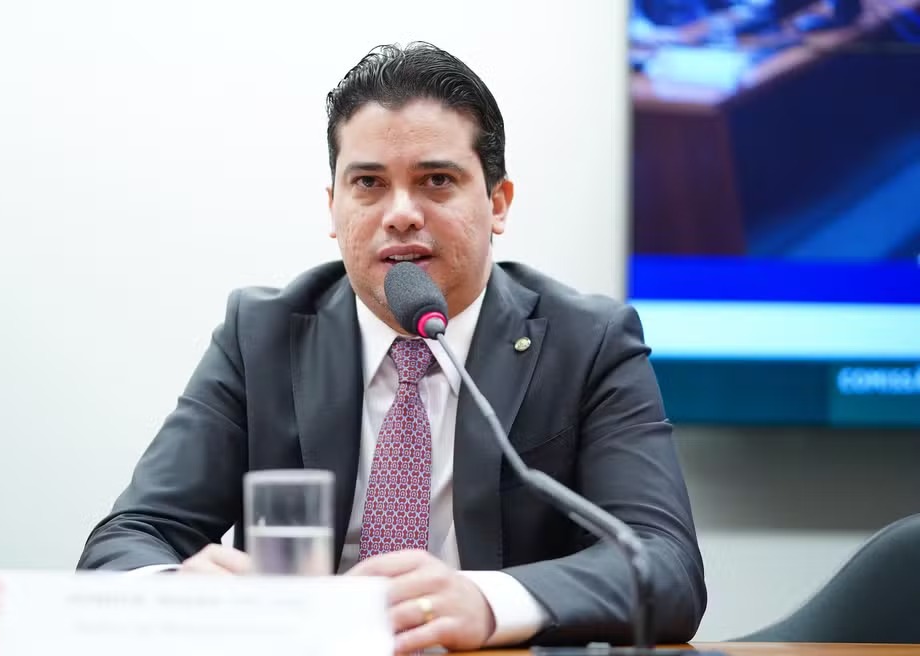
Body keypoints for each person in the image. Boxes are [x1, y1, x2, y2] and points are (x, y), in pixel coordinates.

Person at [77, 41, 707, 651]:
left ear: (497, 203)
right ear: (333, 208)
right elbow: (128, 541)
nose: (400, 213)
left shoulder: (586, 342)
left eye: (436, 180)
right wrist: (177, 593)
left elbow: (664, 563)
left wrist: (485, 602)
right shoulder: (261, 335)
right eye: (369, 184)